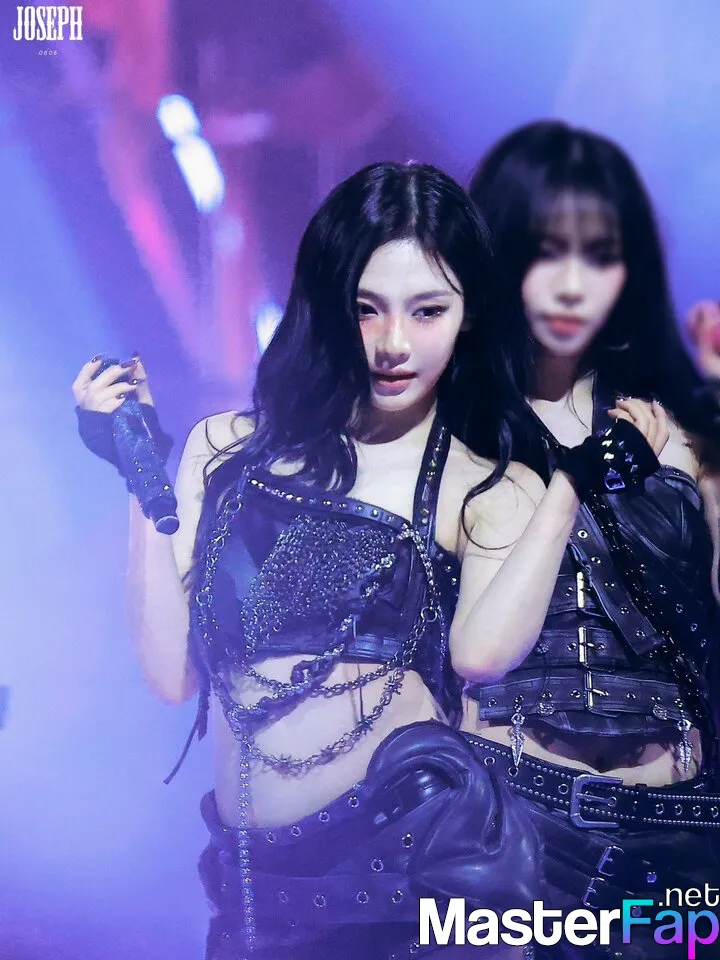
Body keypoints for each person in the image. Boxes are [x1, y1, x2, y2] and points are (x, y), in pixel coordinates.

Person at [72, 162, 540, 960]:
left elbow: (491, 677)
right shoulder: (225, 452)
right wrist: (139, 466)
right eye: (365, 308)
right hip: (256, 894)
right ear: (325, 304)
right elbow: (169, 676)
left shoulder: (485, 487)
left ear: (470, 316)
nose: (394, 343)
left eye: (428, 310)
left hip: (415, 884)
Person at [449, 121, 720, 959]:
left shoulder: (674, 427)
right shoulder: (450, 428)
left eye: (600, 256)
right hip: (516, 817)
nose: (573, 286)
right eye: (546, 253)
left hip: (678, 826)